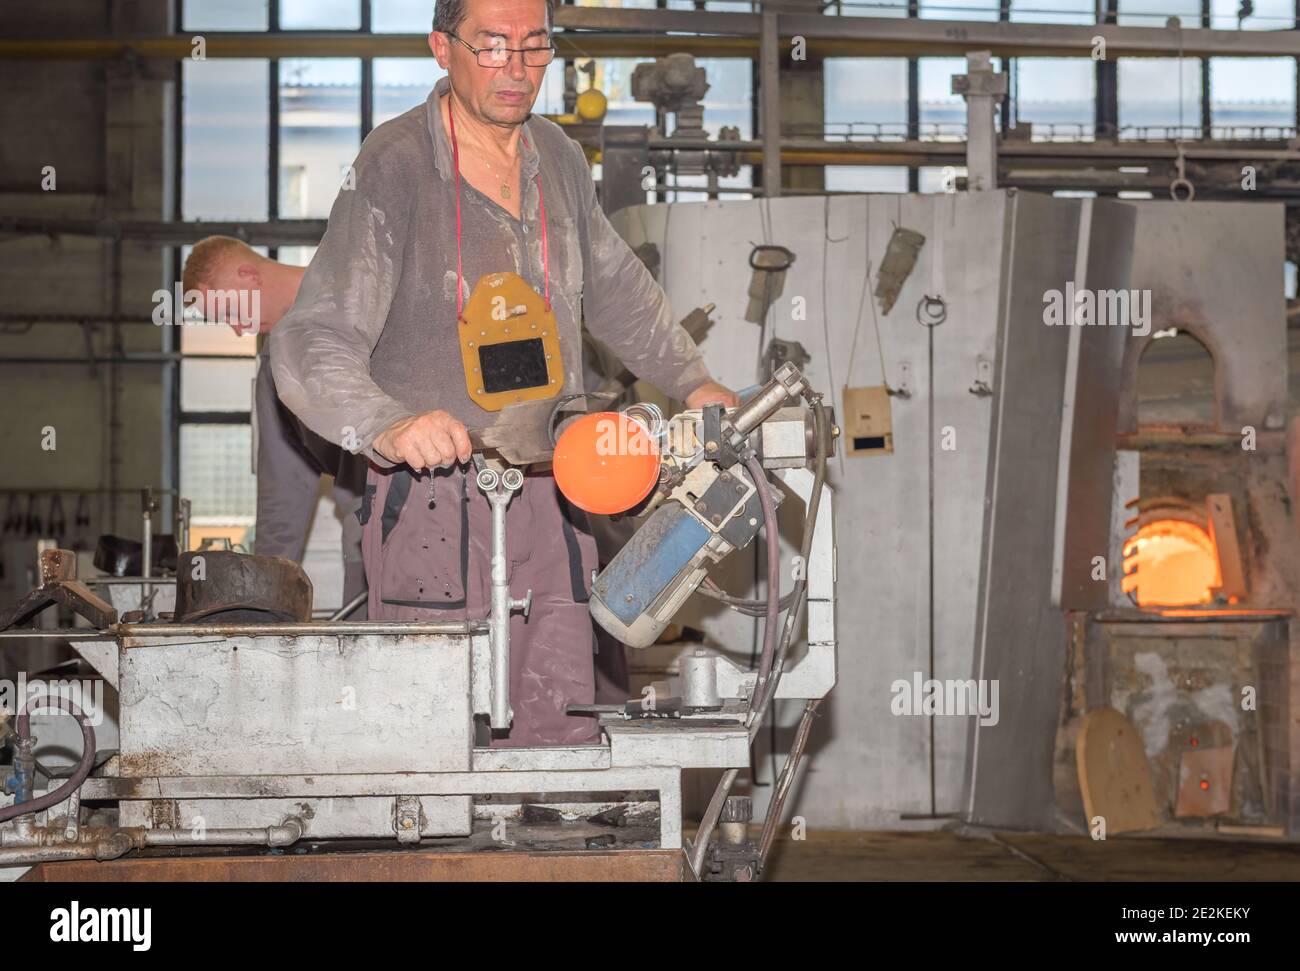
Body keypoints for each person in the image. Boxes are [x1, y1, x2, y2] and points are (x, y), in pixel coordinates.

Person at [270, 0, 737, 746]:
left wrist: (695, 380)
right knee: (436, 740)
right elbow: (314, 336)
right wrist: (391, 422)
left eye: (534, 46)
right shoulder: (395, 165)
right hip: (432, 507)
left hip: (557, 496)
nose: (516, 68)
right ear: (441, 48)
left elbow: (618, 290)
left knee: (559, 729)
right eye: (491, 46)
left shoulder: (556, 157)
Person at [182, 236, 368, 616]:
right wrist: (262, 607)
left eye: (230, 312)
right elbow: (282, 494)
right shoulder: (275, 366)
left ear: (249, 275)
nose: (238, 330)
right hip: (367, 548)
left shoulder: (365, 292)